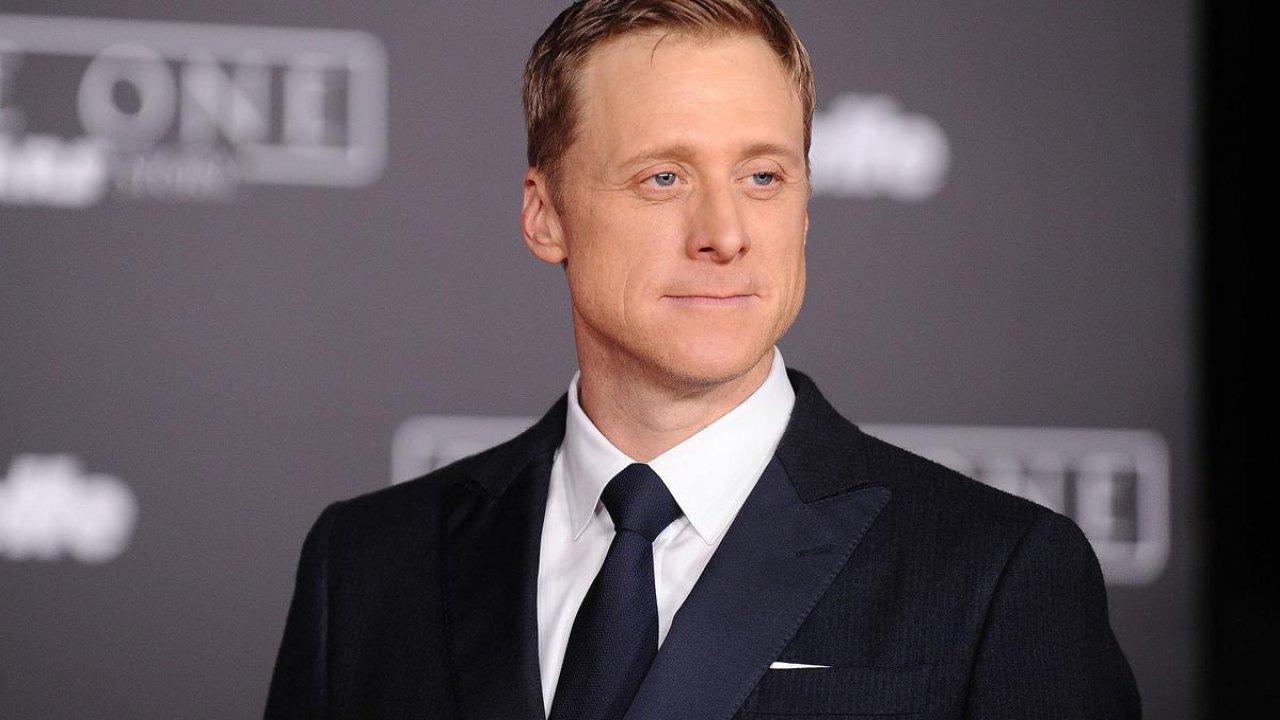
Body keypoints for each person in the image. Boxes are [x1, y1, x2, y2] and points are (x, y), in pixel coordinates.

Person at [264, 1, 1142, 718]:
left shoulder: (996, 573)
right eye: (664, 178)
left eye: (763, 177)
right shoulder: (368, 566)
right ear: (546, 215)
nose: (724, 233)